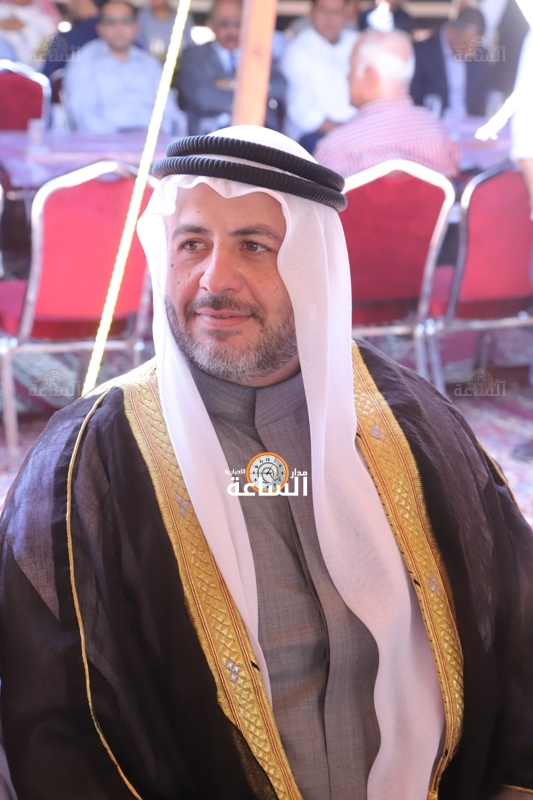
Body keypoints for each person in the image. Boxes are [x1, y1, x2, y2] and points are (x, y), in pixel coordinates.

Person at [1, 124, 533, 800]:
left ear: (313, 266)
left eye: (254, 246)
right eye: (192, 244)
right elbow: (54, 723)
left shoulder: (414, 425)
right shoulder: (86, 465)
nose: (213, 280)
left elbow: (514, 633)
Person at [315, 30, 460, 176]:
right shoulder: (439, 134)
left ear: (369, 77)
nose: (347, 77)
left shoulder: (336, 149)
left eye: (351, 68)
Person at [64, 0, 182, 133]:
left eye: (125, 20)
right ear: (100, 28)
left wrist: (156, 135)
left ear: (136, 27)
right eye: (110, 21)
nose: (118, 27)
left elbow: (169, 111)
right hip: (104, 141)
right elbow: (83, 115)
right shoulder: (83, 61)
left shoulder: (150, 64)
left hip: (154, 140)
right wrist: (119, 139)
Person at [177, 0, 285, 135]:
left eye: (238, 23)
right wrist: (255, 95)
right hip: (211, 137)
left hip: (259, 134)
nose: (231, 30)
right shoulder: (194, 55)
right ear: (210, 25)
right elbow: (203, 98)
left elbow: (280, 86)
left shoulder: (257, 54)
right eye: (223, 23)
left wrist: (234, 84)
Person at [280, 0, 358, 151]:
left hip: (355, 131)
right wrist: (348, 134)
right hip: (311, 137)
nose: (330, 18)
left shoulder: (357, 43)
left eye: (337, 11)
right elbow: (302, 112)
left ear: (346, 14)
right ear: (312, 12)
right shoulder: (297, 50)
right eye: (324, 10)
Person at [410, 7, 490, 118]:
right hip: (432, 123)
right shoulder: (421, 53)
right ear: (452, 31)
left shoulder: (479, 56)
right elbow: (414, 99)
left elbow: (481, 102)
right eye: (464, 46)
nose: (469, 54)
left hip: (471, 124)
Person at [43, 0, 101, 80]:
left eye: (71, 2)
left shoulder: (67, 38)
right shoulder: (113, 33)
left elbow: (47, 76)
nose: (68, 7)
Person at [0, 0, 56, 68]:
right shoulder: (2, 10)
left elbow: (43, 51)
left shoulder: (44, 19)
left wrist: (25, 28)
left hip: (32, 69)